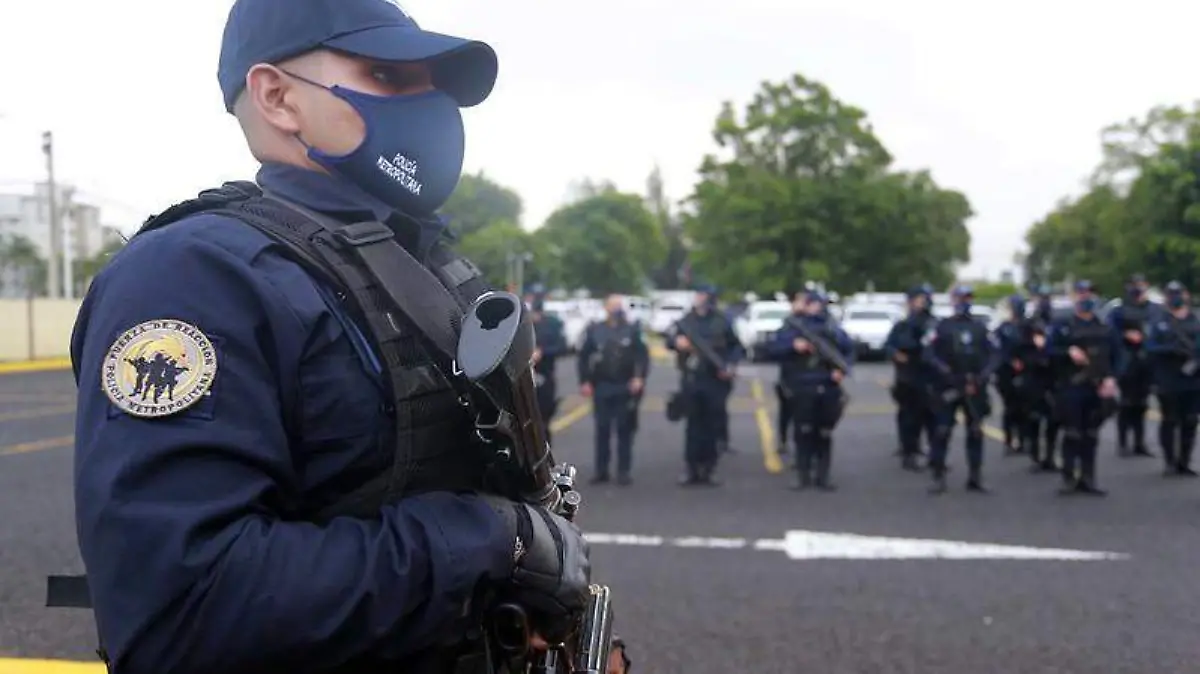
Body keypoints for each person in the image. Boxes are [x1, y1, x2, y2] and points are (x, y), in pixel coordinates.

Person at [56, 2, 606, 672]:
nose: (428, 104)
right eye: (387, 74)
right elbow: (180, 612)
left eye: (430, 81)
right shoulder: (195, 275)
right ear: (278, 97)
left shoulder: (421, 258)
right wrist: (491, 540)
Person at [764, 290, 854, 490]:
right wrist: (793, 346)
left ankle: (823, 476)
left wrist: (842, 370)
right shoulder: (793, 327)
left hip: (828, 385)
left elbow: (848, 350)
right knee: (803, 431)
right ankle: (803, 475)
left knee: (824, 433)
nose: (816, 308)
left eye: (819, 304)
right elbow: (772, 350)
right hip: (802, 384)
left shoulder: (832, 328)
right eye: (813, 303)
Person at [1045, 280, 1123, 496]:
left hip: (1097, 387)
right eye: (1081, 293)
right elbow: (1048, 352)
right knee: (1072, 433)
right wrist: (1067, 352)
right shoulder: (1063, 325)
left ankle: (1089, 478)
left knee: (1091, 434)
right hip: (1071, 386)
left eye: (1089, 293)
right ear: (1074, 297)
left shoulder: (1105, 327)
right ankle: (1069, 478)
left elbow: (1118, 356)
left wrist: (1112, 378)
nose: (1085, 297)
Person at [665, 284, 743, 486]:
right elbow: (669, 338)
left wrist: (730, 365)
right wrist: (677, 343)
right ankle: (691, 469)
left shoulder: (722, 321)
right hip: (692, 379)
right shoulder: (686, 320)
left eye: (703, 295)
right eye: (698, 295)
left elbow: (736, 346)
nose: (699, 298)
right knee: (693, 426)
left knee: (712, 426)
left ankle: (709, 469)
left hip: (715, 379)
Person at [923, 285, 995, 493]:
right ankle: (938, 476)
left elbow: (994, 354)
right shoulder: (942, 326)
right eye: (960, 298)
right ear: (952, 300)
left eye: (967, 298)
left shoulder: (980, 327)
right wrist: (945, 372)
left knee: (975, 431)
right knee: (942, 431)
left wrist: (982, 376)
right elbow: (929, 353)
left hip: (974, 387)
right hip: (948, 386)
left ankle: (975, 477)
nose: (964, 302)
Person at [577, 294, 650, 485]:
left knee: (624, 429)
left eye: (618, 305)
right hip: (602, 385)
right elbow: (584, 357)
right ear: (606, 308)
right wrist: (584, 381)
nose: (615, 309)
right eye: (612, 305)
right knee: (602, 429)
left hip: (624, 385)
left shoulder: (632, 330)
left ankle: (623, 471)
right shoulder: (595, 329)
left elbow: (642, 356)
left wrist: (639, 377)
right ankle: (601, 471)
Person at [1145, 281, 1200, 477]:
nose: (1176, 297)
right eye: (1171, 294)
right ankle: (1170, 461)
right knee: (1170, 420)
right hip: (1167, 378)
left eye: (1179, 293)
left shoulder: (1195, 319)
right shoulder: (1159, 321)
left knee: (1190, 421)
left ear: (1185, 295)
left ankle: (1184, 462)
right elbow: (1149, 347)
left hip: (1193, 378)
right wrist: (1170, 350)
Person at [884, 284, 937, 471]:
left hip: (931, 377)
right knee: (909, 418)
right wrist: (896, 354)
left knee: (934, 419)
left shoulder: (934, 324)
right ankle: (909, 453)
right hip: (908, 378)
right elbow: (890, 346)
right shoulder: (903, 325)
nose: (922, 303)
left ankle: (936, 455)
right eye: (919, 299)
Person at [1108, 274, 1157, 457]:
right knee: (1126, 404)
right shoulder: (1119, 310)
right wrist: (1125, 336)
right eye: (1135, 285)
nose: (1138, 288)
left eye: (1141, 284)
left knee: (1142, 403)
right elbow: (1110, 333)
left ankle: (1139, 442)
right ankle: (1123, 442)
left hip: (1146, 360)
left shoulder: (1153, 309)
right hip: (1126, 359)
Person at [526, 288, 569, 445]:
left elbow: (562, 347)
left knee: (543, 422)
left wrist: (543, 352)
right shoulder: (520, 325)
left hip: (544, 376)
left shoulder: (552, 325)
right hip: (522, 379)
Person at [1026, 287, 1061, 471]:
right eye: (1042, 298)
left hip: (1054, 375)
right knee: (1035, 417)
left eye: (1048, 297)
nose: (1045, 301)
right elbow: (1022, 350)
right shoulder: (1030, 324)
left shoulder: (1056, 322)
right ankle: (1035, 453)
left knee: (1054, 418)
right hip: (1034, 376)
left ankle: (1049, 455)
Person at [992, 294, 1030, 455]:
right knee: (1010, 408)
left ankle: (1023, 439)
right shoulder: (1003, 328)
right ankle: (1009, 440)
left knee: (1025, 408)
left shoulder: (1028, 326)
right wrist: (1010, 361)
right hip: (1006, 372)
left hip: (1026, 370)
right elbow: (997, 351)